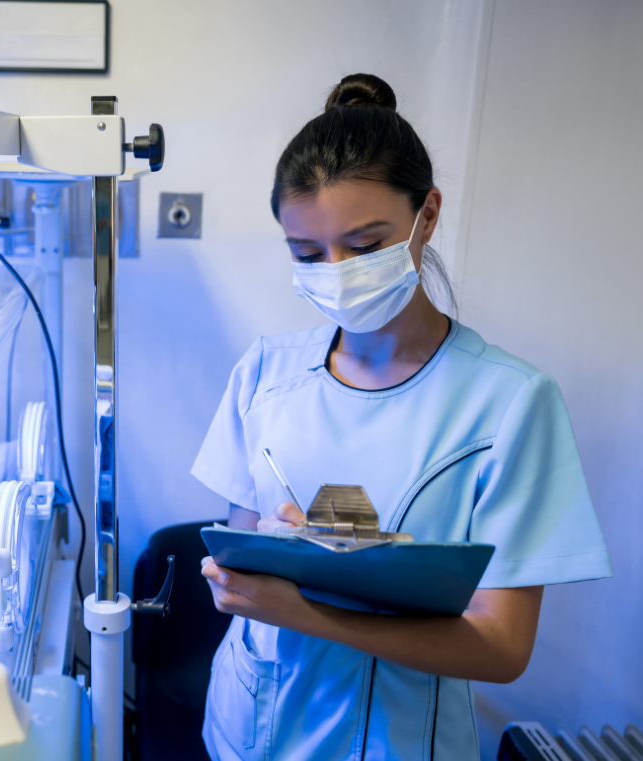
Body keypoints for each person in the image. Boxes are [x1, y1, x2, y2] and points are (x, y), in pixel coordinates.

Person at [192, 73, 611, 759]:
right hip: (250, 725)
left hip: (396, 740)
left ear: (429, 214)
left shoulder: (510, 403)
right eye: (307, 254)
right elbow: (239, 571)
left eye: (364, 246)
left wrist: (310, 610)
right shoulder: (265, 371)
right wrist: (271, 555)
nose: (335, 271)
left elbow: (503, 647)